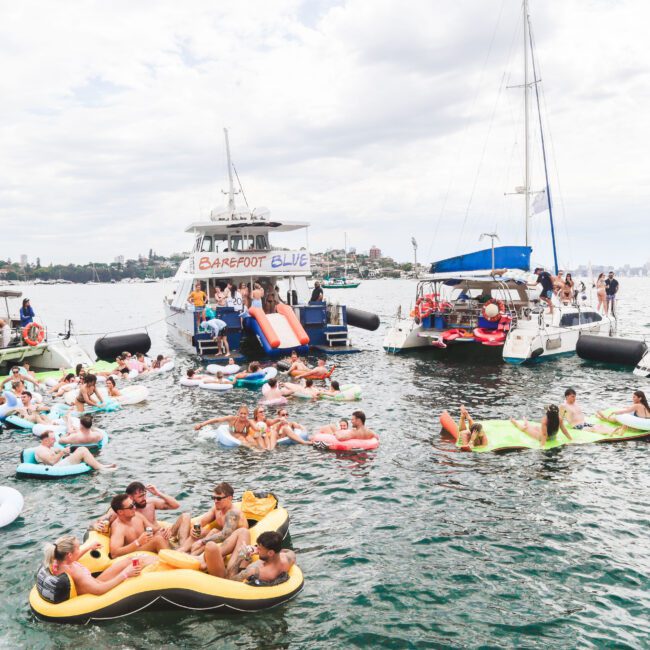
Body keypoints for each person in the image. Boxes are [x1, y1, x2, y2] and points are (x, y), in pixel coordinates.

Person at [41, 535, 151, 597]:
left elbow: (74, 557)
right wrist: (126, 574)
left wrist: (88, 548)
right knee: (135, 565)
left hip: (94, 582)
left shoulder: (58, 562)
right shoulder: (76, 573)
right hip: (98, 591)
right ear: (69, 554)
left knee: (129, 560)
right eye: (78, 548)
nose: (79, 550)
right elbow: (99, 590)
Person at [94, 482, 191, 545]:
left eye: (144, 495)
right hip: (150, 541)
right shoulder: (123, 510)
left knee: (185, 516)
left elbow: (176, 505)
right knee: (158, 539)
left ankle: (183, 548)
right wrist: (96, 525)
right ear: (130, 497)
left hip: (162, 533)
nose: (144, 499)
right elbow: (100, 521)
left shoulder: (150, 503)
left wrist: (158, 493)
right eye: (140, 496)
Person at [181, 482, 249, 555]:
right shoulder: (216, 510)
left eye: (219, 498)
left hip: (233, 542)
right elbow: (201, 521)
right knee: (200, 531)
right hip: (223, 538)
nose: (216, 501)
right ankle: (182, 550)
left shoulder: (233, 513)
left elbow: (225, 535)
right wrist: (195, 528)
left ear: (230, 498)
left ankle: (192, 555)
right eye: (214, 498)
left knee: (214, 531)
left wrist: (201, 542)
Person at [204, 530, 296, 584]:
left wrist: (240, 557)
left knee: (211, 546)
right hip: (268, 558)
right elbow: (289, 551)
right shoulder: (287, 559)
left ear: (271, 553)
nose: (257, 550)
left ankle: (203, 560)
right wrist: (257, 551)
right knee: (243, 532)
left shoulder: (255, 570)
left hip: (229, 576)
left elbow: (230, 581)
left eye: (259, 549)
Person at [108, 493, 171, 557]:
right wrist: (138, 542)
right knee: (158, 539)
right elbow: (114, 553)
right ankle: (174, 560)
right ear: (120, 512)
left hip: (144, 547)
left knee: (162, 534)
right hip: (133, 553)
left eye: (133, 504)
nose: (134, 508)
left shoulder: (137, 516)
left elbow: (154, 529)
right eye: (131, 507)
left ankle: (175, 554)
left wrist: (164, 530)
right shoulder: (118, 528)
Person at [34, 430, 117, 472]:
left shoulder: (50, 448)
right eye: (53, 439)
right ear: (45, 440)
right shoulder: (40, 449)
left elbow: (60, 451)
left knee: (80, 449)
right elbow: (51, 461)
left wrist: (66, 448)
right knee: (82, 450)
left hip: (60, 463)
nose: (55, 441)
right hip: (54, 468)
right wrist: (62, 452)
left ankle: (101, 466)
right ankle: (100, 468)